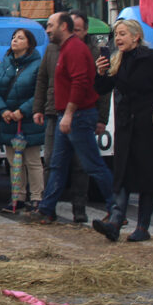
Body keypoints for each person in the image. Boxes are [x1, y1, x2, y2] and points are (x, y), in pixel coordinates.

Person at [92, 20, 153, 242]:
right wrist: (100, 73)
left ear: (136, 36)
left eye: (123, 34)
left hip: (149, 126)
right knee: (122, 175)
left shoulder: (152, 58)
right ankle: (114, 222)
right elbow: (102, 89)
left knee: (147, 178)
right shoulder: (118, 61)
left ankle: (143, 227)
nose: (118, 38)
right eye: (116, 35)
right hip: (127, 127)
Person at [29, 12, 115, 224]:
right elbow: (45, 80)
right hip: (67, 115)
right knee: (57, 164)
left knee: (92, 164)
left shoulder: (74, 49)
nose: (47, 29)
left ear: (63, 27)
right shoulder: (63, 49)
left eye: (50, 25)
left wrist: (68, 114)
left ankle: (116, 208)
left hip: (77, 116)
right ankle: (47, 209)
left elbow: (80, 83)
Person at [0, 28, 45, 213]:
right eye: (13, 37)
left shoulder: (37, 65)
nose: (15, 40)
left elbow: (40, 91)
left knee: (32, 160)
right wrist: (2, 110)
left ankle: (37, 197)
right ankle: (17, 197)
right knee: (14, 161)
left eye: (20, 38)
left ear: (29, 43)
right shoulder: (5, 64)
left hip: (28, 120)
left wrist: (23, 111)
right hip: (9, 120)